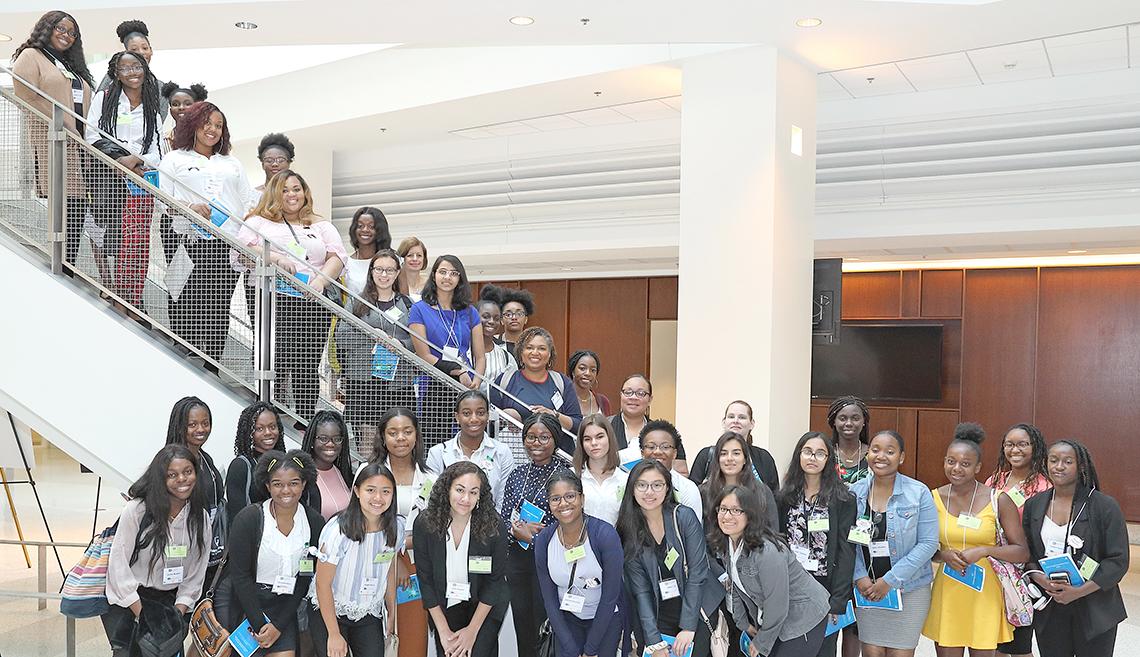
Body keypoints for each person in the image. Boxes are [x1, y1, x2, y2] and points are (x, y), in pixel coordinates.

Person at [239, 169, 347, 422]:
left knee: (306, 362)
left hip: (311, 299)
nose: (291, 194)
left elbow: (338, 256)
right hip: (271, 298)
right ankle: (266, 415)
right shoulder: (258, 222)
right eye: (285, 190)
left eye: (296, 189)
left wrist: (320, 280)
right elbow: (243, 249)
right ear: (274, 194)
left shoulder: (320, 224)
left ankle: (302, 420)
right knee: (274, 355)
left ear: (305, 192)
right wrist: (275, 258)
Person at [158, 101, 255, 364]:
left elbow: (248, 201)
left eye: (218, 126)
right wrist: (189, 207)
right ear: (193, 125)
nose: (212, 130)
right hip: (189, 240)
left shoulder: (232, 162)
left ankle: (212, 365)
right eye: (207, 123)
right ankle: (184, 357)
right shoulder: (174, 158)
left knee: (218, 306)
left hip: (227, 244)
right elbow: (162, 199)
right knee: (184, 299)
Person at [923, 423, 1030, 656]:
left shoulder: (998, 499)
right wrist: (943, 555)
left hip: (985, 592)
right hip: (948, 591)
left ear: (978, 467)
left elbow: (1022, 551)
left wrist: (984, 550)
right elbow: (924, 547)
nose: (956, 468)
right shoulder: (932, 498)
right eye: (951, 461)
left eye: (965, 463)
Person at [103, 445, 211, 657]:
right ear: (160, 478)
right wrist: (145, 617)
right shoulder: (138, 510)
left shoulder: (200, 518)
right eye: (172, 475)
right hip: (134, 602)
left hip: (171, 606)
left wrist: (174, 618)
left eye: (188, 472)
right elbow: (118, 566)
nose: (182, 479)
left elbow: (196, 574)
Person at [1023, 440, 1128, 657]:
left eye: (1067, 461)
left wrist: (1079, 591)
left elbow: (1118, 561)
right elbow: (1029, 552)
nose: (1059, 466)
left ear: (1081, 466)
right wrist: (1042, 580)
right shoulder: (1035, 504)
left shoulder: (1104, 506)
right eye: (1053, 460)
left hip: (1095, 605)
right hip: (1051, 603)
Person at [11, 11, 94, 266]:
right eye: (61, 28)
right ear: (47, 28)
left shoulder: (70, 65)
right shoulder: (31, 56)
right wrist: (65, 125)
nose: (66, 35)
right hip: (53, 143)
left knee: (77, 212)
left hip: (79, 147)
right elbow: (27, 96)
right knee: (65, 212)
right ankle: (60, 269)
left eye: (72, 33)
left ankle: (66, 269)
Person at [711, 485, 831, 657]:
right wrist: (743, 623)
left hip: (804, 615)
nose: (727, 516)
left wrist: (762, 641)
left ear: (750, 515)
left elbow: (777, 603)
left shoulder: (767, 552)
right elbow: (735, 586)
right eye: (723, 509)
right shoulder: (728, 544)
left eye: (736, 510)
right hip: (776, 619)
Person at [85, 50, 164, 307]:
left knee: (137, 243)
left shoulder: (152, 107)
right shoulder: (104, 99)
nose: (132, 72)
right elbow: (92, 136)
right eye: (125, 68)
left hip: (139, 182)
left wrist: (136, 160)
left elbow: (158, 152)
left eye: (137, 66)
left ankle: (133, 297)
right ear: (116, 74)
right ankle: (116, 291)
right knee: (111, 235)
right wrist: (121, 160)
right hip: (109, 177)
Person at [227, 450, 325, 657]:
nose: (286, 490)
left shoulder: (314, 522)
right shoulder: (249, 519)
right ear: (267, 486)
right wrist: (261, 624)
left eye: (294, 483)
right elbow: (240, 576)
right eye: (278, 484)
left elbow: (305, 576)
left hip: (286, 609)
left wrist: (278, 626)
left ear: (304, 484)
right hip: (249, 605)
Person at [618, 459, 721, 657]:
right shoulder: (629, 530)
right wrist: (654, 640)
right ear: (632, 489)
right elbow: (641, 591)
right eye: (642, 485)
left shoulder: (683, 517)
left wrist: (689, 627)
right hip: (660, 612)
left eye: (657, 485)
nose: (649, 492)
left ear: (667, 489)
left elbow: (698, 573)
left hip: (697, 609)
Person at [850, 430, 939, 657]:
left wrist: (890, 580)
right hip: (867, 590)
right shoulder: (854, 492)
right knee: (871, 652)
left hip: (909, 590)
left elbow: (928, 544)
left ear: (901, 457)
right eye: (875, 450)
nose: (881, 456)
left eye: (890, 452)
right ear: (867, 454)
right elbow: (847, 541)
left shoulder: (918, 492)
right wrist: (859, 576)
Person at [412, 461, 509, 657]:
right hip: (445, 607)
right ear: (447, 489)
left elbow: (494, 582)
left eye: (473, 492)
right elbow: (426, 580)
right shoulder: (425, 524)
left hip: (484, 607)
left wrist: (472, 632)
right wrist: (443, 631)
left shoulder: (494, 526)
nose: (466, 498)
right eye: (460, 490)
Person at [309, 462, 404, 657]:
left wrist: (392, 610)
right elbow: (322, 583)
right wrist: (334, 634)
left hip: (368, 612)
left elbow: (389, 570)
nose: (378, 498)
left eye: (386, 491)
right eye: (371, 490)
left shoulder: (396, 528)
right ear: (357, 491)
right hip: (331, 611)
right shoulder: (338, 530)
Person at [775, 432, 857, 657]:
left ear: (829, 459)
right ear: (799, 456)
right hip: (790, 587)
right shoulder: (784, 497)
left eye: (820, 453)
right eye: (808, 452)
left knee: (822, 650)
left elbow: (846, 551)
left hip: (825, 588)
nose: (813, 458)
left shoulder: (843, 499)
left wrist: (839, 600)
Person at [498, 413, 571, 657]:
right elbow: (505, 515)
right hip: (517, 561)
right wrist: (514, 530)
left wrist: (535, 537)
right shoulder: (518, 474)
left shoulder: (566, 476)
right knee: (523, 625)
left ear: (555, 439)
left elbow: (570, 522)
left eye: (543, 437)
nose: (536, 443)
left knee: (547, 626)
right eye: (530, 437)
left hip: (551, 561)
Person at [533, 470, 626, 657]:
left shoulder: (604, 535)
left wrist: (590, 650)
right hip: (567, 622)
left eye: (570, 496)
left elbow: (610, 597)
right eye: (556, 499)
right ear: (549, 504)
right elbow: (549, 600)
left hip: (605, 621)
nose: (563, 504)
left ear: (582, 499)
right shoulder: (544, 540)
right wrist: (570, 648)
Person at [335, 250, 417, 449]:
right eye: (379, 269)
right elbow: (342, 337)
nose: (384, 274)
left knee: (398, 444)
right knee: (368, 448)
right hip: (364, 383)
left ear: (398, 273)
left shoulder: (407, 305)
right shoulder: (356, 302)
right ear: (371, 272)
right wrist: (373, 336)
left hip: (398, 384)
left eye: (389, 270)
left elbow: (418, 342)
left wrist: (401, 345)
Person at [985, 424, 1052, 657]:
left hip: (1026, 570)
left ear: (1035, 448)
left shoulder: (1045, 486)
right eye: (1009, 444)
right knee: (995, 640)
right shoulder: (994, 481)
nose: (1015, 449)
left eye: (1023, 444)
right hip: (994, 568)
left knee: (1020, 642)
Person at [370, 407, 432, 657]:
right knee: (374, 639)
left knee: (412, 640)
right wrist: (396, 557)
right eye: (393, 433)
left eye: (407, 431)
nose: (401, 438)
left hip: (416, 567)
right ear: (383, 437)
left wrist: (406, 551)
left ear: (416, 435)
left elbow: (437, 528)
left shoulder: (431, 478)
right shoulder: (368, 473)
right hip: (376, 563)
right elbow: (362, 525)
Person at [408, 255, 486, 442]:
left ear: (460, 279)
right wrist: (456, 371)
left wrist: (477, 380)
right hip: (433, 383)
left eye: (453, 273)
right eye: (442, 272)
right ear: (434, 275)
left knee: (466, 439)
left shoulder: (470, 312)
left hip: (464, 384)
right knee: (436, 441)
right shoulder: (419, 309)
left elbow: (480, 356)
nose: (447, 277)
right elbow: (423, 355)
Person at [490, 326, 583, 447]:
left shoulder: (562, 382)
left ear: (549, 354)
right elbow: (489, 424)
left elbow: (578, 425)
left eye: (542, 348)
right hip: (513, 458)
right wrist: (503, 417)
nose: (535, 352)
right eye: (529, 347)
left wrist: (554, 416)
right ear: (521, 352)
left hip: (559, 458)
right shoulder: (505, 380)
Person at [163, 396, 226, 570]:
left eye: (205, 423)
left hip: (209, 546)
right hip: (180, 549)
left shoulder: (206, 458)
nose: (201, 429)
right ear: (180, 426)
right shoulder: (169, 461)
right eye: (192, 425)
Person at [425, 391, 515, 511]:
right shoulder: (437, 453)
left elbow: (503, 502)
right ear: (457, 417)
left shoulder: (502, 452)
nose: (474, 419)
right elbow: (430, 499)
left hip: (489, 526)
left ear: (488, 415)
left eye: (480, 413)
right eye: (467, 413)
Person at [157, 81, 206, 267]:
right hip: (172, 217)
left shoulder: (208, 140)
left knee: (203, 277)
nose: (181, 108)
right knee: (176, 278)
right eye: (175, 104)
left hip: (204, 217)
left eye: (187, 103)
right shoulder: (161, 140)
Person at [688, 401, 780, 493]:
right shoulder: (706, 455)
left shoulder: (764, 457)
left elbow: (774, 497)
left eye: (742, 417)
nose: (735, 421)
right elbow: (692, 493)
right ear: (724, 422)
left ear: (752, 424)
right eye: (731, 417)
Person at [698, 431, 778, 533]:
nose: (729, 458)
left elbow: (773, 531)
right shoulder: (704, 492)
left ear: (745, 459)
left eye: (736, 453)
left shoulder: (762, 492)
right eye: (723, 454)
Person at [610, 374, 688, 473]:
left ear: (650, 399)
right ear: (621, 395)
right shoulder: (604, 428)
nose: (633, 397)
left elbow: (682, 472)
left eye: (641, 393)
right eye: (628, 392)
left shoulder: (664, 432)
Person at [225, 401, 286, 524]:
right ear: (250, 432)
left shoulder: (286, 463)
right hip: (254, 538)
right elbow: (238, 518)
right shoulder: (241, 466)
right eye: (260, 429)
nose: (268, 432)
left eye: (272, 427)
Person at [97, 21, 168, 117]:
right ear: (126, 53)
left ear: (151, 50)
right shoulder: (113, 77)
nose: (141, 53)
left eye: (145, 48)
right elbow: (98, 108)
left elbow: (160, 119)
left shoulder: (159, 87)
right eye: (134, 50)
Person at [638, 420, 703, 523]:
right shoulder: (630, 483)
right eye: (651, 447)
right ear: (642, 453)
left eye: (665, 447)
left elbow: (693, 530)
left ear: (674, 453)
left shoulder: (687, 489)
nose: (658, 452)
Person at [573, 414, 628, 526]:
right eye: (587, 439)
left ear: (609, 438)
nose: (594, 443)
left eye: (599, 437)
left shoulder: (625, 479)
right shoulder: (572, 477)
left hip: (615, 542)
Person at [302, 410, 355, 520]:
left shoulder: (343, 473)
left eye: (336, 439)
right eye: (323, 439)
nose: (330, 444)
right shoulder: (302, 477)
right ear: (312, 441)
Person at [344, 207, 392, 296]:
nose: (365, 230)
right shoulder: (345, 263)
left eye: (371, 226)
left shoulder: (394, 261)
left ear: (380, 230)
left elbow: (404, 300)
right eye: (360, 226)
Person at [475, 287, 516, 394]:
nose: (491, 321)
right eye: (486, 317)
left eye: (496, 318)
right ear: (474, 317)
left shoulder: (506, 357)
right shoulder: (464, 353)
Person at [828, 396, 871, 485]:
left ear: (863, 422)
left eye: (855, 419)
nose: (849, 423)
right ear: (834, 422)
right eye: (843, 419)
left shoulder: (873, 454)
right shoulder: (825, 453)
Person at [567, 349, 611, 417]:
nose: (588, 373)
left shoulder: (603, 401)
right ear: (573, 371)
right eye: (582, 368)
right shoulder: (563, 400)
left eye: (593, 370)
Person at [499, 287, 534, 359]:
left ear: (526, 319)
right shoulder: (494, 343)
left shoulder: (533, 343)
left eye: (519, 314)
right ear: (501, 320)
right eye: (508, 314)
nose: (514, 317)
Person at [395, 236, 428, 301]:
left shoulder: (430, 284)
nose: (415, 259)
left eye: (419, 255)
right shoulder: (394, 285)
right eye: (410, 255)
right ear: (401, 258)